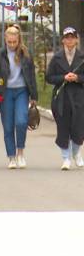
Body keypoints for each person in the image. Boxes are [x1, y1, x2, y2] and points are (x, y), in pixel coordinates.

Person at [0, 24, 38, 169]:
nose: (12, 45)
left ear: (19, 40)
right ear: (5, 40)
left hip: (22, 91)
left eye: (14, 42)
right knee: (8, 126)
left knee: (21, 122)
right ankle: (11, 157)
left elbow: (31, 76)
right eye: (9, 42)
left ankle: (20, 153)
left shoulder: (26, 54)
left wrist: (34, 96)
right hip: (6, 92)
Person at [45, 27, 84, 170]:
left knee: (78, 127)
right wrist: (63, 78)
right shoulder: (57, 58)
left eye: (72, 37)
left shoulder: (82, 57)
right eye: (67, 37)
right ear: (63, 40)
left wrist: (77, 78)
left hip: (78, 97)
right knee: (63, 127)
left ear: (76, 39)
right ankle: (65, 158)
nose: (69, 40)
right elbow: (49, 77)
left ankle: (76, 153)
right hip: (61, 98)